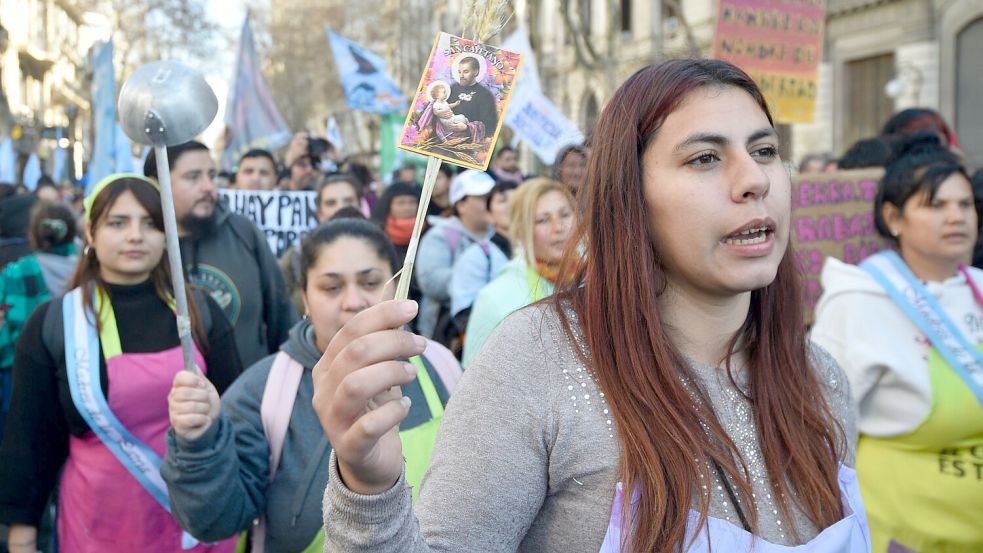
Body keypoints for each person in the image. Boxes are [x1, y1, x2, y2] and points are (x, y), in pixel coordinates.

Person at [312, 59, 867, 552]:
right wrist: (370, 489)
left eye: (766, 151)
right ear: (629, 195)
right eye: (704, 158)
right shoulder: (540, 359)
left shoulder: (823, 382)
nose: (753, 180)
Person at [162, 217, 461, 553]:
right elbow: (212, 520)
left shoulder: (443, 367)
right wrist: (199, 443)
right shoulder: (263, 392)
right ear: (304, 296)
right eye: (332, 287)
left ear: (398, 284)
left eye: (371, 281)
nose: (353, 301)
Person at [0, 174, 242, 553]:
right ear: (91, 233)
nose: (135, 236)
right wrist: (22, 534)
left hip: (198, 529)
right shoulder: (55, 323)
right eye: (118, 223)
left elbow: (240, 415)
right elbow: (30, 441)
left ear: (166, 236)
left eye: (150, 223)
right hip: (98, 530)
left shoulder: (199, 311)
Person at [811, 132, 982, 552]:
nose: (956, 217)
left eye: (965, 204)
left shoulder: (979, 287)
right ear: (893, 217)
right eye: (935, 205)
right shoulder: (858, 298)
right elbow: (819, 427)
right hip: (902, 536)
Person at [144, 141, 297, 368]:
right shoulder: (141, 246)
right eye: (193, 177)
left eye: (212, 175)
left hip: (250, 396)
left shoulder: (243, 232)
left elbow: (282, 316)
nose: (208, 187)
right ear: (157, 184)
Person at [461, 177, 574, 366]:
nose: (558, 228)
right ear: (521, 231)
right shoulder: (494, 298)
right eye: (543, 220)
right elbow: (475, 386)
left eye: (565, 215)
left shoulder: (600, 282)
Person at [0, 200, 78, 442]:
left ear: (33, 234)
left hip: (19, 374)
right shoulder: (89, 270)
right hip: (78, 372)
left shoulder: (16, 272)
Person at [414, 170, 495, 341]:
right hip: (448, 333)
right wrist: (479, 276)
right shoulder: (440, 236)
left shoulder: (501, 235)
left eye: (492, 196)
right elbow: (431, 281)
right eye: (482, 198)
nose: (490, 203)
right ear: (461, 205)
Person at [281, 174, 363, 315]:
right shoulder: (296, 256)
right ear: (319, 212)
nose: (340, 207)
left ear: (360, 205)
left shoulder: (381, 251)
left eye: (348, 200)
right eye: (331, 203)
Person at [448, 180, 517, 334]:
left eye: (518, 199)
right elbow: (463, 313)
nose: (512, 205)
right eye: (503, 200)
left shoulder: (539, 253)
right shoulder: (476, 256)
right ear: (489, 215)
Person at [419, 56, 498, 144]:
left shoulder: (485, 95)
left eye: (466, 72)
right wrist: (437, 113)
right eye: (459, 72)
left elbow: (489, 124)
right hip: (443, 140)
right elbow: (435, 107)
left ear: (476, 72)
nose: (461, 76)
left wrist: (467, 128)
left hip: (466, 144)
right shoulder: (452, 89)